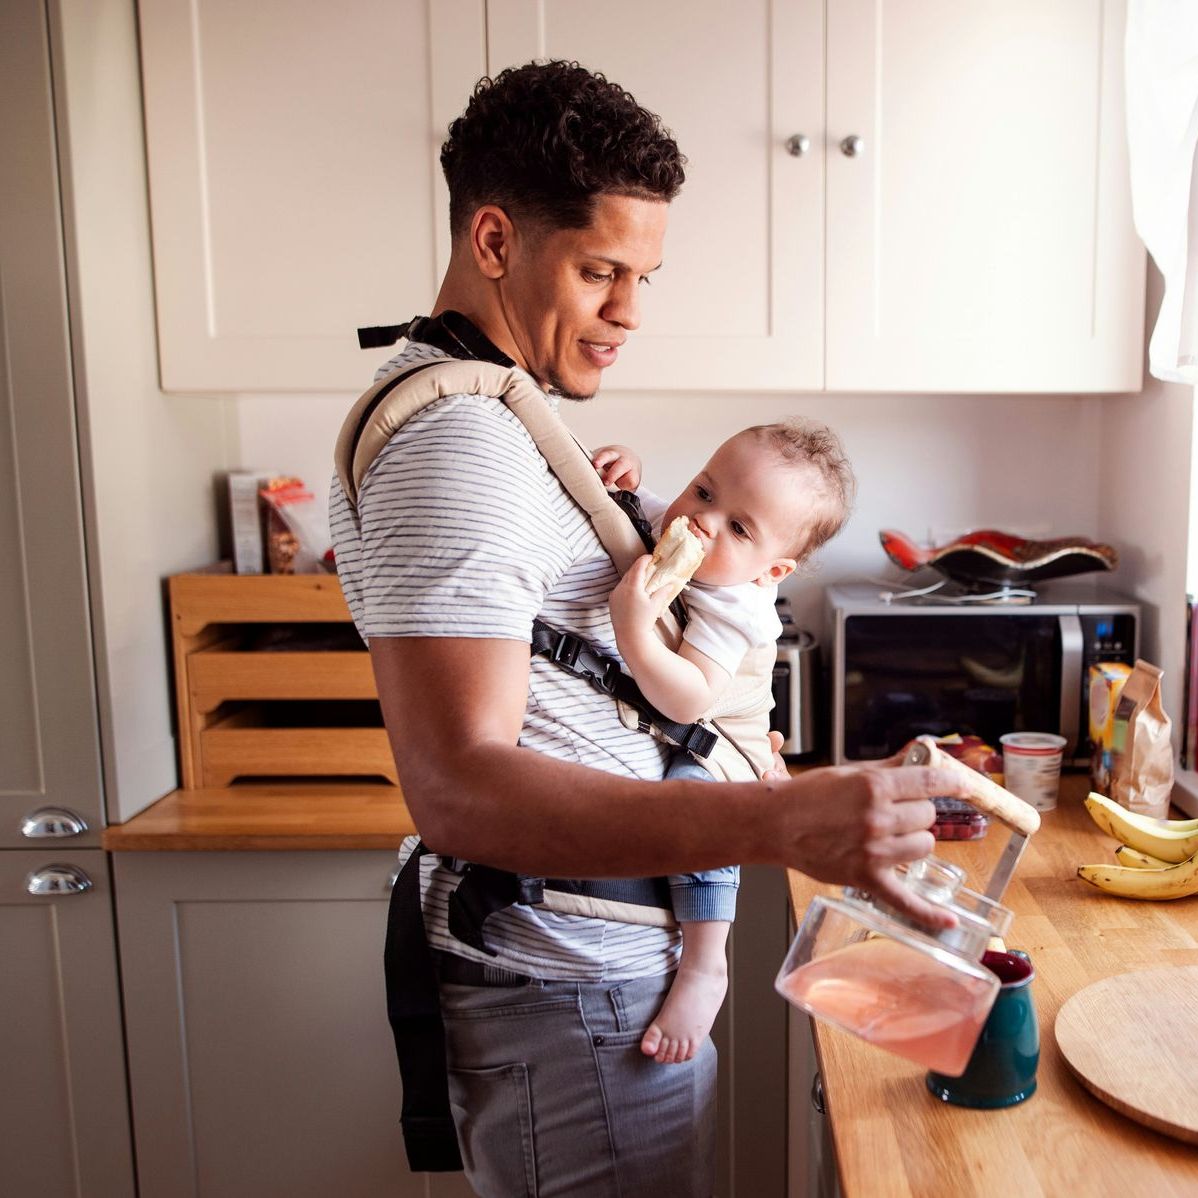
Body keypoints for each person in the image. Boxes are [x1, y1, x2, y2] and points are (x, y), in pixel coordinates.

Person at [329, 59, 967, 1198]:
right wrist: (778, 817)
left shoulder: (498, 417)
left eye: (644, 276)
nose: (629, 313)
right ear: (492, 242)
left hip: (597, 978)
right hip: (571, 994)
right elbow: (460, 786)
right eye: (599, 271)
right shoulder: (456, 444)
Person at [590, 421, 854, 1066]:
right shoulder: (693, 531)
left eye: (740, 528)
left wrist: (635, 628)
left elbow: (688, 697)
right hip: (697, 729)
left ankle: (707, 963)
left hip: (727, 744)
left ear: (774, 570)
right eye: (704, 490)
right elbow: (641, 509)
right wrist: (629, 469)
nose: (704, 522)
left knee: (697, 806)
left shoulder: (736, 601)